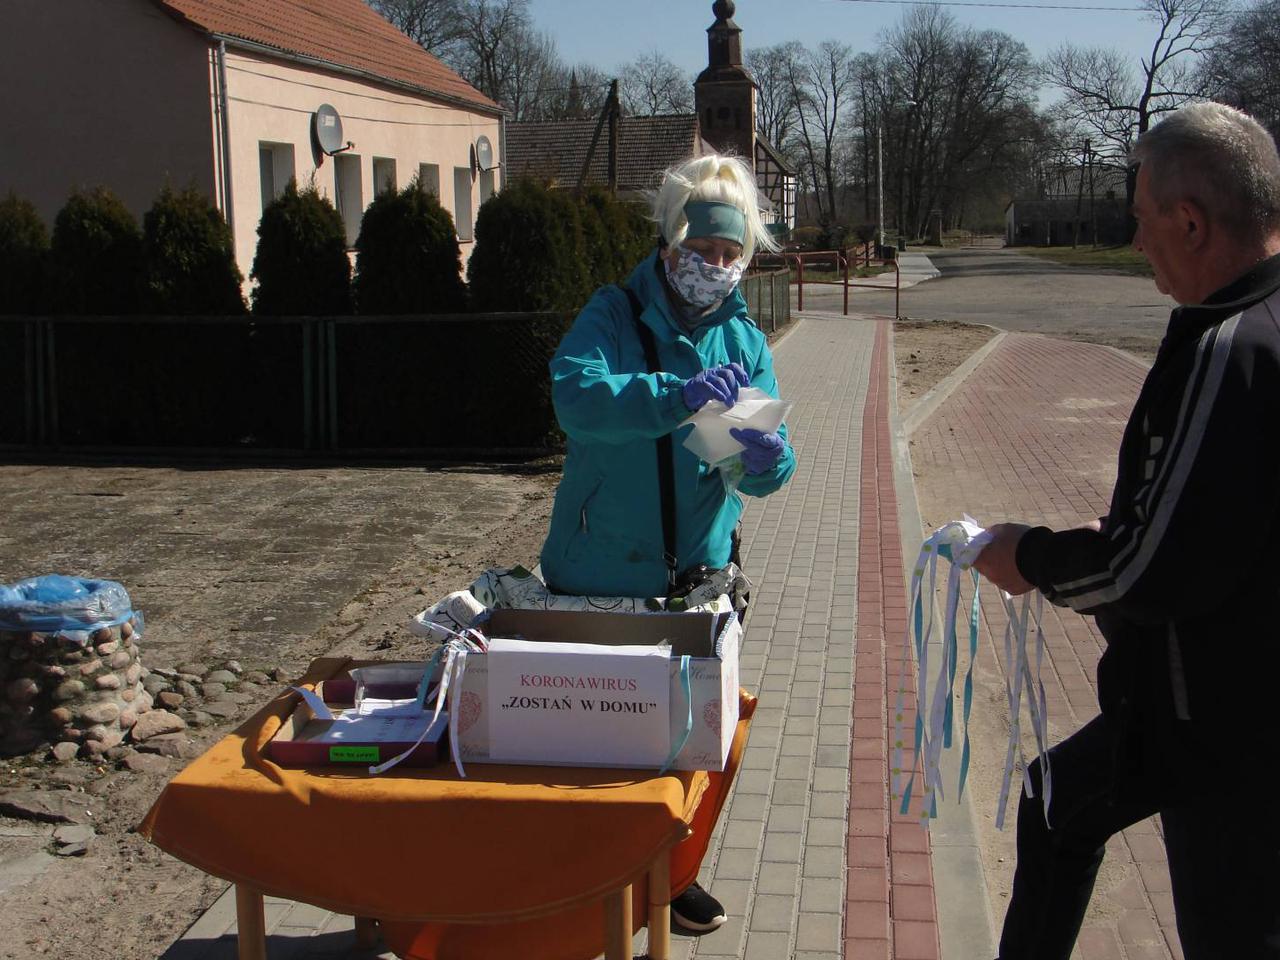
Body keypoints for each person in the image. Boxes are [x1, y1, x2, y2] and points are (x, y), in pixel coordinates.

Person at [974, 101, 1280, 960]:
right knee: (1056, 804)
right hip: (1195, 694)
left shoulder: (1231, 348)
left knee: (1231, 928)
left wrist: (1028, 555)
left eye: (1142, 222)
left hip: (1217, 720)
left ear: (1190, 221)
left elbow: (1151, 571)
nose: (1136, 241)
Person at [538, 152, 797, 932]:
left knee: (692, 743)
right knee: (596, 738)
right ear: (669, 244)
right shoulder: (614, 314)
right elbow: (576, 398)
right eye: (702, 250)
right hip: (598, 569)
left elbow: (763, 473)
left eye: (730, 255)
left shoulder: (743, 340)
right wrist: (673, 394)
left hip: (701, 575)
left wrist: (768, 457)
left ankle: (674, 873)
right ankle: (579, 879)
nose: (713, 268)